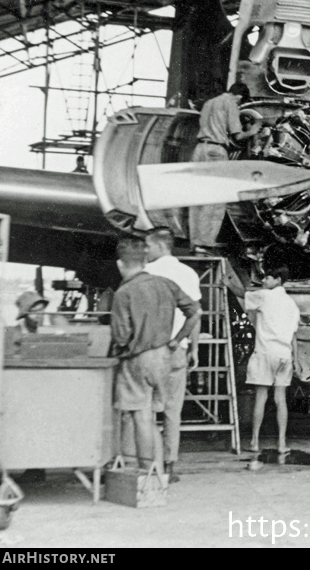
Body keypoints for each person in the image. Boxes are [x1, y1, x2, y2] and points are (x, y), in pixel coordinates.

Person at [110, 237, 201, 471]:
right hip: (166, 357)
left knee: (141, 417)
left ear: (121, 265)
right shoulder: (165, 284)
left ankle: (144, 472)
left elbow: (121, 336)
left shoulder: (124, 292)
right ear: (144, 260)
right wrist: (178, 340)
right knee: (168, 412)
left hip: (138, 360)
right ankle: (163, 468)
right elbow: (195, 312)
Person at [143, 227, 202, 483]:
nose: (145, 251)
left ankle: (147, 463)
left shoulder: (147, 273)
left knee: (145, 409)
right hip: (178, 349)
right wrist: (193, 346)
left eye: (148, 246)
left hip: (150, 351)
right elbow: (196, 313)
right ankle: (169, 466)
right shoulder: (188, 273)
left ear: (159, 246)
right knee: (172, 411)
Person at [188, 82, 262, 252]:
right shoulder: (230, 103)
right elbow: (238, 135)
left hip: (200, 150)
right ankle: (205, 242)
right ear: (239, 97)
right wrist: (254, 129)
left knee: (197, 197)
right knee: (216, 199)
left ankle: (195, 242)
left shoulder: (209, 103)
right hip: (215, 151)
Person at [244, 266, 300, 454]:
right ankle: (282, 443)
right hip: (284, 355)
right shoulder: (291, 304)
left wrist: (229, 284)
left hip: (265, 353)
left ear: (277, 280)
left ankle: (254, 442)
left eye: (267, 278)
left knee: (261, 397)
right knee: (280, 400)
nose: (263, 281)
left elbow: (242, 294)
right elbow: (294, 335)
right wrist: (297, 360)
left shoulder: (265, 296)